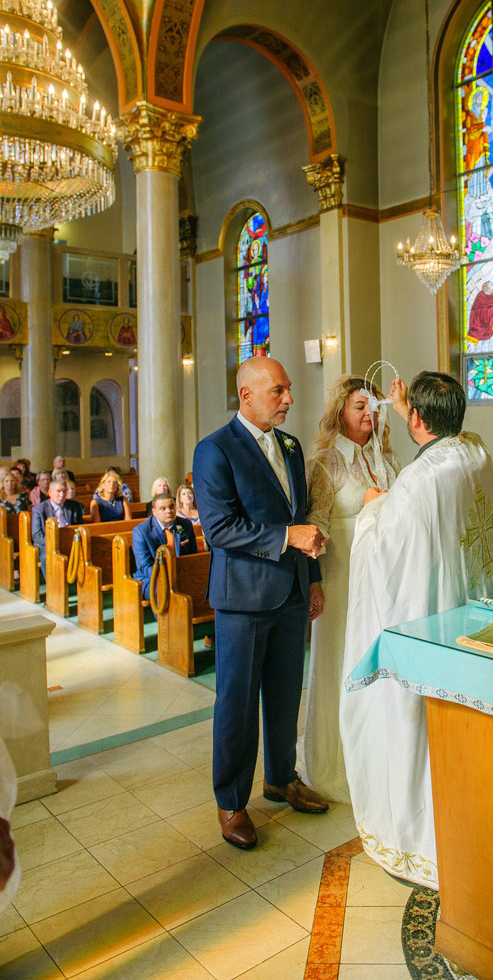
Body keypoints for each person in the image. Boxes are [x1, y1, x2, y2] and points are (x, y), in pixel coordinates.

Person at [340, 371, 493, 889]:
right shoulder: (473, 452)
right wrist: (413, 407)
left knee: (415, 716)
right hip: (467, 606)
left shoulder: (419, 478)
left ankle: (417, 831)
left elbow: (386, 549)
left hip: (426, 613)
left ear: (416, 419)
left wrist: (369, 514)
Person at [193, 356, 329, 852]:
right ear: (247, 395)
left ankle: (280, 777)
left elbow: (303, 514)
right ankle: (231, 801)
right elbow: (221, 529)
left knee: (286, 691)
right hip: (244, 597)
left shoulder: (290, 447)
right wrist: (288, 537)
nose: (289, 399)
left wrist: (311, 579)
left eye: (288, 389)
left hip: (291, 590)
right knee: (237, 703)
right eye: (279, 391)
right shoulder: (214, 450)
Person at [300, 376, 401, 803]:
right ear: (341, 410)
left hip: (381, 580)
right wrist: (315, 584)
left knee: (374, 663)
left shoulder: (386, 458)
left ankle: (374, 757)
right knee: (339, 665)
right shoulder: (327, 461)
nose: (368, 414)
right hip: (341, 579)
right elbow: (315, 526)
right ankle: (333, 762)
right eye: (359, 406)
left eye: (373, 407)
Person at [132, 493, 197, 596]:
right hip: (151, 577)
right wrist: (168, 576)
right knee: (163, 590)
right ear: (154, 512)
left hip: (181, 574)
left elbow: (193, 556)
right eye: (163, 508)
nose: (169, 511)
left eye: (171, 507)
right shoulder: (141, 531)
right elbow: (144, 566)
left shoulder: (186, 524)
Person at [31, 478, 84, 577]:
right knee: (47, 555)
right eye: (58, 491)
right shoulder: (39, 509)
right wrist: (54, 543)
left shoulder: (75, 506)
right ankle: (52, 585)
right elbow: (37, 535)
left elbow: (80, 526)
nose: (62, 494)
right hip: (47, 543)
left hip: (70, 541)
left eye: (64, 491)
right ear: (50, 492)